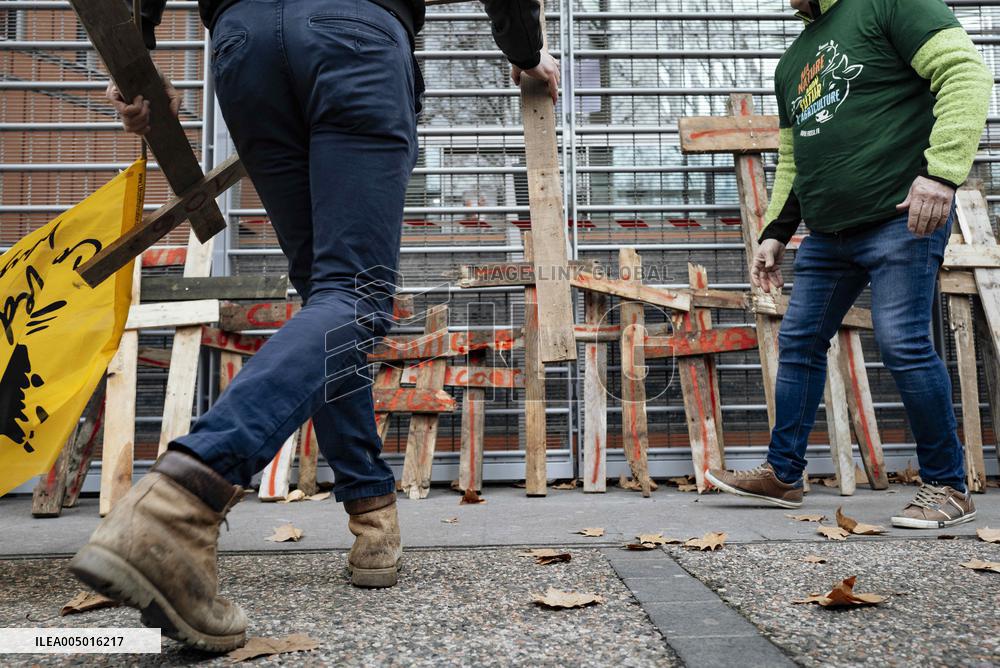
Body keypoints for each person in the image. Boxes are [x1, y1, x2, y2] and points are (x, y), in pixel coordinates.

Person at [69, 0, 559, 652]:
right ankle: (181, 498)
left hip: (246, 46)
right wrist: (525, 52)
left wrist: (134, 65)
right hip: (353, 33)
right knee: (353, 295)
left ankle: (372, 514)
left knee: (330, 295)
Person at [706, 0, 992, 528]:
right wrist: (775, 231)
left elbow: (966, 73)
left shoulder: (889, 4)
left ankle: (949, 486)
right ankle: (783, 474)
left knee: (903, 342)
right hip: (827, 235)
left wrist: (943, 172)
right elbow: (795, 158)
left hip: (900, 219)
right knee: (798, 342)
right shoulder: (793, 62)